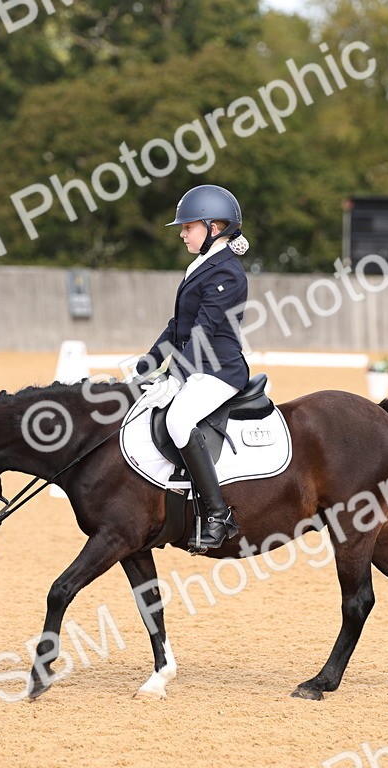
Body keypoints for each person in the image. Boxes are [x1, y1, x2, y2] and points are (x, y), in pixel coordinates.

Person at [137, 184, 251, 554]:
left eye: (188, 226)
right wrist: (146, 366)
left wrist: (174, 377)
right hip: (196, 364)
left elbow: (204, 330)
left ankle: (219, 516)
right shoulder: (200, 264)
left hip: (220, 370)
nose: (182, 233)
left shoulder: (228, 272)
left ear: (214, 228)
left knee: (178, 419)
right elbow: (178, 327)